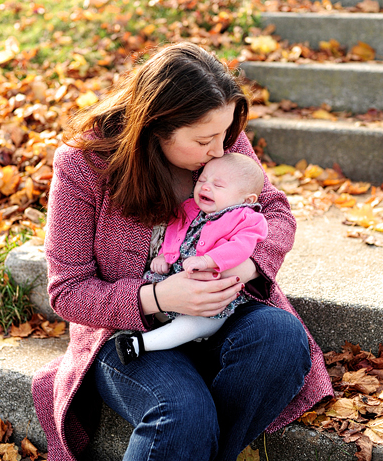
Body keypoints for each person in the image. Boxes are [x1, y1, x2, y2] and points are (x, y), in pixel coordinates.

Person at [31, 42, 332, 461]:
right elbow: (68, 292)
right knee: (183, 414)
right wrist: (158, 295)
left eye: (226, 134)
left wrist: (247, 264)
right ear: (155, 124)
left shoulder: (220, 135)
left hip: (221, 315)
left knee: (281, 336)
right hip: (129, 334)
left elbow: (274, 209)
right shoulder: (84, 164)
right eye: (203, 140)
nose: (221, 149)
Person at [115, 152, 269, 364]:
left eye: (218, 185)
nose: (205, 187)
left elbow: (240, 248)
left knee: (191, 325)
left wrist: (208, 261)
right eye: (203, 180)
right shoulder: (189, 208)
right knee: (146, 286)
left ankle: (138, 344)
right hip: (174, 283)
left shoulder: (248, 219)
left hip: (212, 301)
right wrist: (165, 255)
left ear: (246, 199)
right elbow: (174, 231)